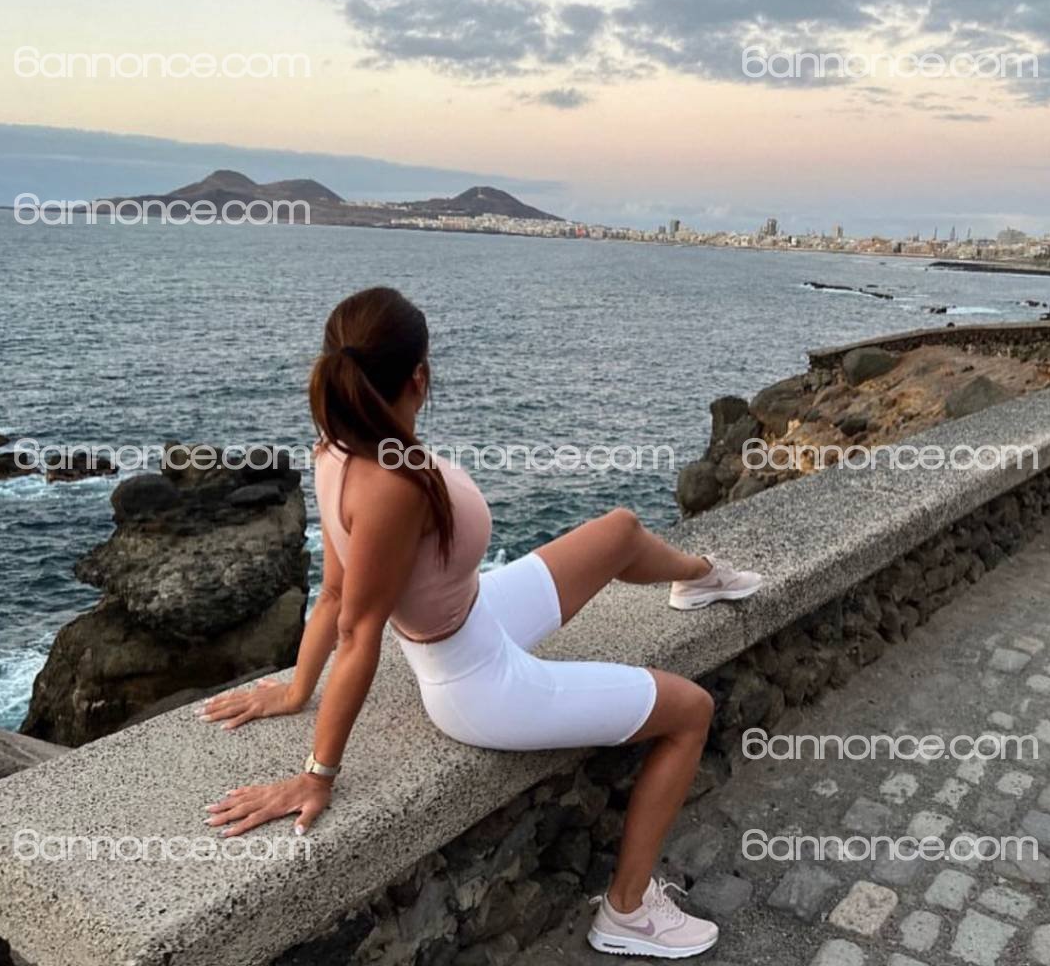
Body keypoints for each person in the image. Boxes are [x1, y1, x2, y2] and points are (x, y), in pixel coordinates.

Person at [201, 287, 762, 958]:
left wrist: (297, 689)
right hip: (476, 683)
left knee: (619, 529)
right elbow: (355, 627)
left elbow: (334, 590)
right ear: (419, 376)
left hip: (478, 610)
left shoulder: (338, 447)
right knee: (691, 710)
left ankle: (700, 575)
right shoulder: (390, 486)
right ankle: (628, 911)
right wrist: (317, 774)